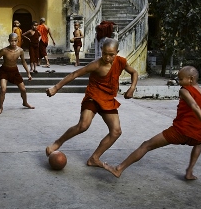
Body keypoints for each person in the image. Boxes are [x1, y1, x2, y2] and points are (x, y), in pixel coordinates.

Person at [103, 66, 201, 180]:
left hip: (180, 131)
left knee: (146, 145)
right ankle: (189, 172)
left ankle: (119, 169)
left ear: (190, 79)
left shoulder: (184, 90)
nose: (179, 82)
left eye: (181, 79)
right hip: (197, 133)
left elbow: (194, 106)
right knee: (198, 144)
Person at [45, 38, 138, 168]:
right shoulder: (96, 65)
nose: (107, 57)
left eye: (111, 55)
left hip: (108, 99)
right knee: (83, 125)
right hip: (93, 97)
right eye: (105, 53)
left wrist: (132, 88)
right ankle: (57, 143)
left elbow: (134, 72)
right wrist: (55, 88)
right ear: (101, 51)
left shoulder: (121, 62)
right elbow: (75, 74)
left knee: (116, 131)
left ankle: (94, 158)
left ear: (117, 52)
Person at [0, 33, 35, 114]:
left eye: (15, 41)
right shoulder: (4, 51)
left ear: (18, 41)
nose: (13, 43)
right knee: (3, 90)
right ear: (9, 41)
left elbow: (23, 62)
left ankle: (25, 102)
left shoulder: (20, 50)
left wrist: (28, 73)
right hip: (4, 71)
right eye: (11, 41)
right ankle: (0, 107)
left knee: (23, 89)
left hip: (14, 71)